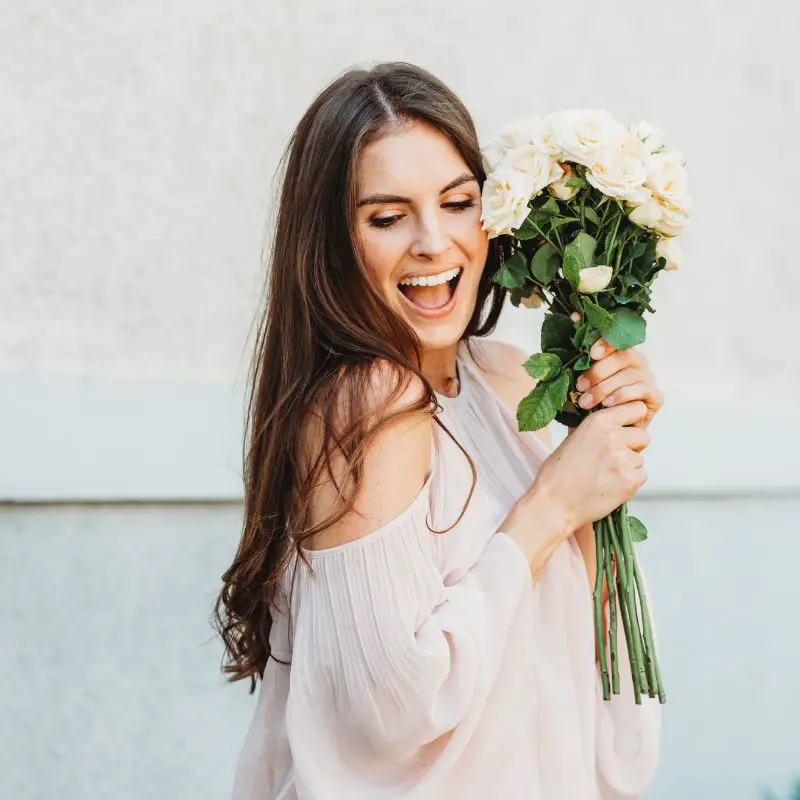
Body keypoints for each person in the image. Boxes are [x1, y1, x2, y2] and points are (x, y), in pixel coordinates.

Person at [213, 61, 664, 800]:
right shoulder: (372, 400)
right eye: (387, 217)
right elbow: (396, 707)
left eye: (458, 203)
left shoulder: (508, 379)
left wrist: (604, 462)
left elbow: (578, 655)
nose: (433, 242)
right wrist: (552, 503)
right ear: (331, 242)